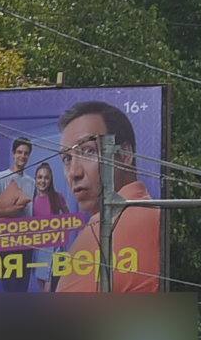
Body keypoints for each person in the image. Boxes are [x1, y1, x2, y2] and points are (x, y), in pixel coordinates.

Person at [51, 99, 161, 293]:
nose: (74, 172)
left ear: (125, 155)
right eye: (67, 159)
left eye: (88, 151)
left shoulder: (116, 225)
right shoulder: (155, 215)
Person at [0, 136, 37, 218]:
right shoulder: (1, 177)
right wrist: (8, 211)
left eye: (26, 153)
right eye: (19, 152)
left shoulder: (32, 182)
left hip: (26, 229)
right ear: (13, 153)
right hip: (5, 228)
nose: (22, 156)